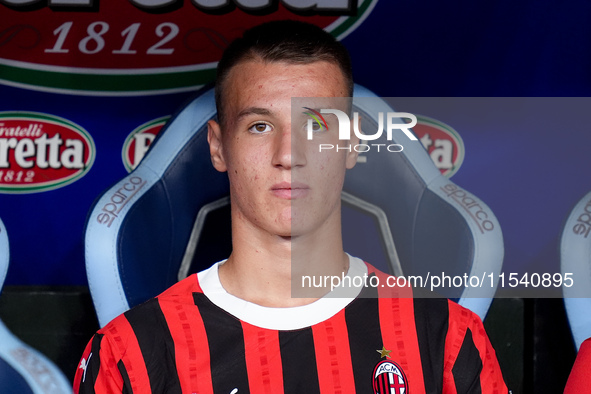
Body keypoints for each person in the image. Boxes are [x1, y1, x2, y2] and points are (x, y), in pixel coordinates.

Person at [74, 20, 507, 393]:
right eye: (260, 126)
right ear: (218, 147)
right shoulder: (129, 354)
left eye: (316, 124)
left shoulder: (447, 339)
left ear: (351, 143)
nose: (289, 153)